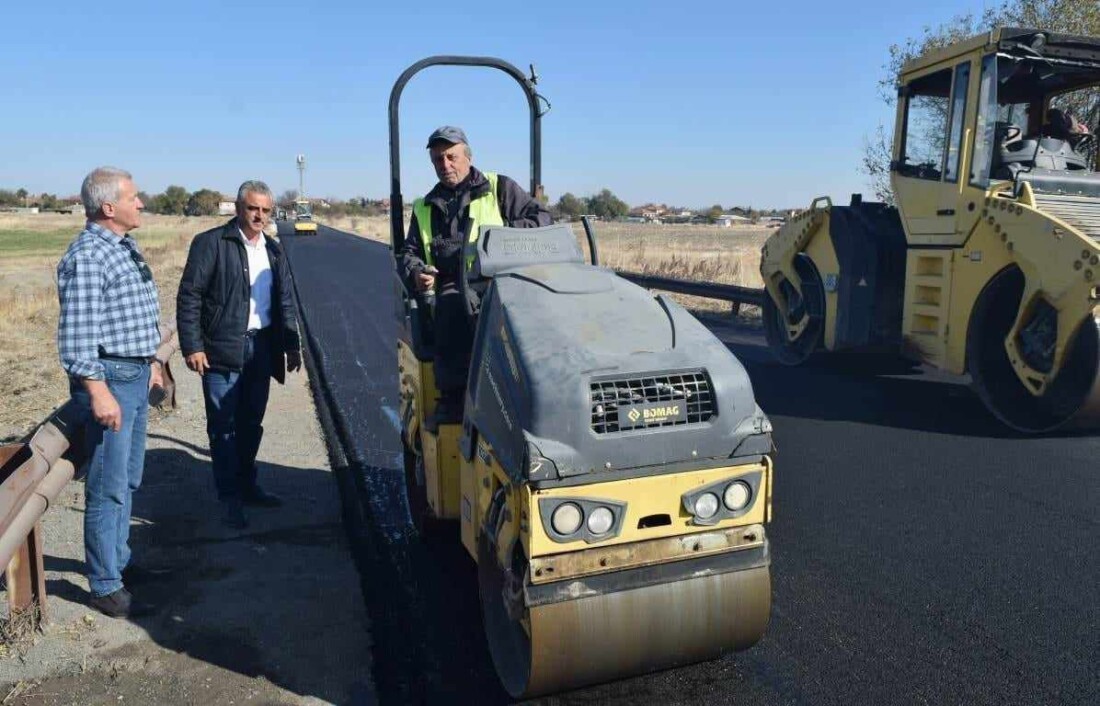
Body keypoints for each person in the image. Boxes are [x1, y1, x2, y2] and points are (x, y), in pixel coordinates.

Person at [58, 167, 164, 618]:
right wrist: (98, 393)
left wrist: (154, 363)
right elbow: (77, 339)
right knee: (107, 486)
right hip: (111, 380)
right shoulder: (88, 257)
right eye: (133, 198)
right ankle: (104, 584)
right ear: (108, 207)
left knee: (130, 478)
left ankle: (119, 563)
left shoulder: (123, 246)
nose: (140, 204)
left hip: (135, 374)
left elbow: (136, 315)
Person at [399, 126, 551, 425]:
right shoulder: (425, 207)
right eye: (438, 160)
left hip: (506, 282)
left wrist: (498, 239)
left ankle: (535, 398)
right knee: (454, 305)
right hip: (453, 287)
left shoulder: (500, 188)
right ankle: (456, 400)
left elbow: (542, 219)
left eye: (451, 157)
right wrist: (417, 273)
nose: (445, 165)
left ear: (467, 156)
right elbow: (409, 253)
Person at [176, 181, 302, 529]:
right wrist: (193, 346)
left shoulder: (274, 251)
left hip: (262, 348)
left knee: (251, 423)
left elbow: (285, 301)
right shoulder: (211, 244)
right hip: (221, 349)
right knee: (223, 427)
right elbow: (190, 296)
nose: (259, 215)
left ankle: (248, 485)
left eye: (265, 210)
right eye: (253, 208)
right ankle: (229, 497)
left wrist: (292, 346)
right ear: (238, 208)